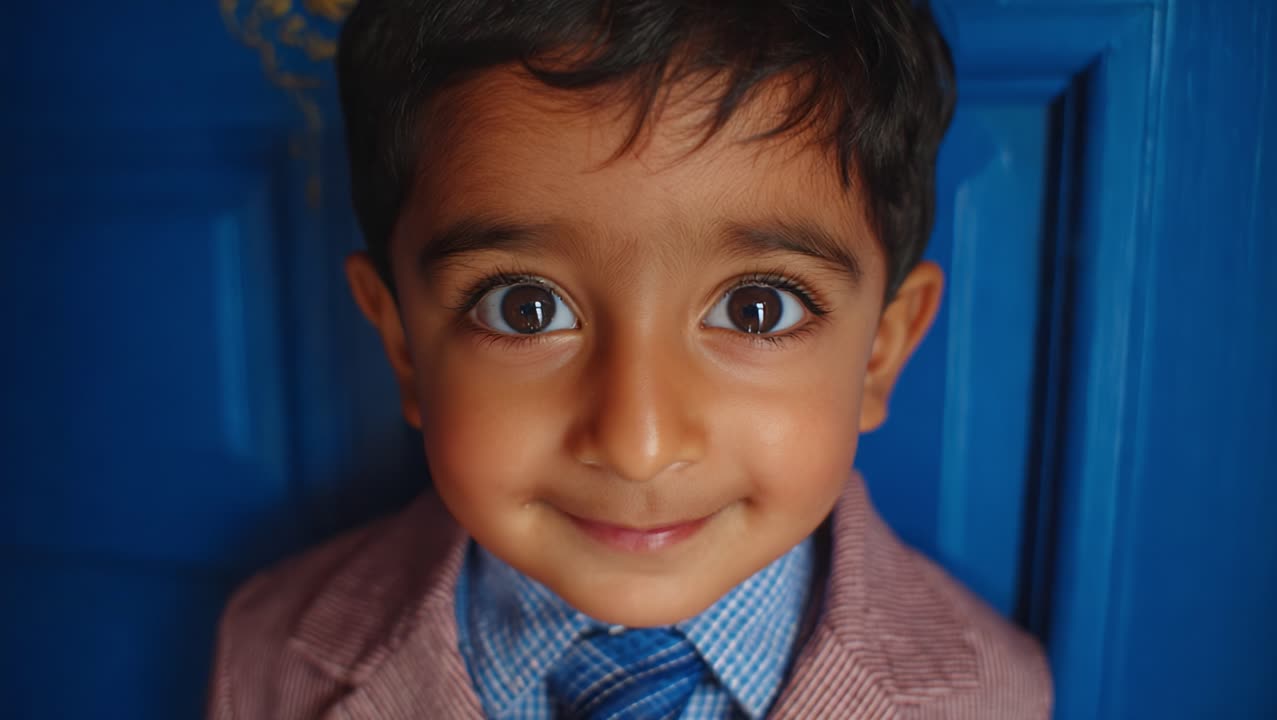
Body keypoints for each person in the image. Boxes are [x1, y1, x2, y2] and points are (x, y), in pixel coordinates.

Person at [207, 1, 1053, 717]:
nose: (637, 442)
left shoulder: (994, 694)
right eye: (524, 308)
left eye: (757, 309)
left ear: (881, 354)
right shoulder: (270, 654)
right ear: (402, 345)